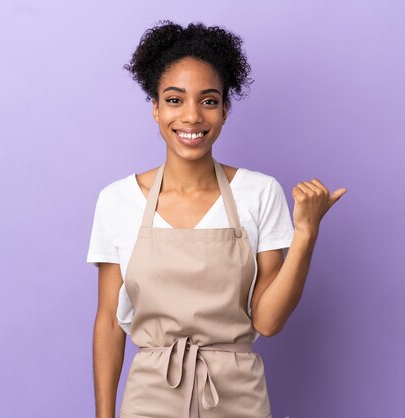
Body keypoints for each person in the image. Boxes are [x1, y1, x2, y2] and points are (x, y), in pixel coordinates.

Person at [86, 20, 346, 418]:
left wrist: (306, 233)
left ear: (224, 110)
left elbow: (268, 320)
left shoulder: (259, 193)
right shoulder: (117, 200)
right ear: (155, 109)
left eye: (208, 101)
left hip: (237, 397)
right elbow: (108, 322)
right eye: (175, 100)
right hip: (150, 398)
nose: (191, 116)